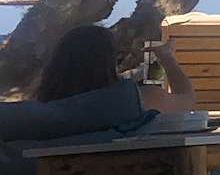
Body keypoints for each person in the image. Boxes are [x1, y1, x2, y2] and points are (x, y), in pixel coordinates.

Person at [37, 23, 198, 112]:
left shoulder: (47, 112)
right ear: (109, 62)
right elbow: (186, 100)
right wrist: (167, 58)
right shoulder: (134, 100)